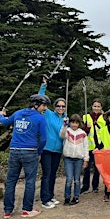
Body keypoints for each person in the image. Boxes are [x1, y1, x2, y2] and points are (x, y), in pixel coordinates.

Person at [0, 94, 49, 218]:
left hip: (14, 151)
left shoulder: (18, 113)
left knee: (11, 181)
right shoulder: (40, 118)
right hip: (30, 151)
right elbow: (43, 139)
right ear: (36, 104)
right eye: (44, 105)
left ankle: (7, 211)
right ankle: (27, 210)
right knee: (30, 181)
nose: (45, 108)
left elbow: (4, 121)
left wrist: (1, 115)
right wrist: (39, 152)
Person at [38, 78, 66, 209]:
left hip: (58, 150)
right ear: (54, 107)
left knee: (53, 174)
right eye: (58, 106)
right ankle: (44, 199)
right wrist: (43, 86)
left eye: (63, 106)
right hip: (46, 149)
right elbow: (40, 100)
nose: (60, 108)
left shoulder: (66, 119)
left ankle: (50, 195)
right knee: (47, 174)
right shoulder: (48, 114)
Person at [59, 114, 89, 206]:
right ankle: (67, 197)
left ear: (79, 123)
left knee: (77, 179)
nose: (74, 125)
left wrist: (86, 159)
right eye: (72, 122)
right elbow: (61, 135)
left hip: (79, 159)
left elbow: (86, 147)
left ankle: (76, 197)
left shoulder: (83, 133)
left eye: (76, 123)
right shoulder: (67, 131)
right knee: (69, 179)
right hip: (68, 158)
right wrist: (64, 125)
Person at [81, 98, 105, 194]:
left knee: (97, 167)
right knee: (86, 167)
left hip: (99, 146)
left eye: (98, 106)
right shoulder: (86, 117)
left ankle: (95, 186)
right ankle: (85, 186)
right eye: (95, 106)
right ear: (92, 106)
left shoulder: (104, 118)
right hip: (89, 145)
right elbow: (82, 132)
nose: (96, 108)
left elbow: (105, 132)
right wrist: (87, 128)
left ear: (101, 107)